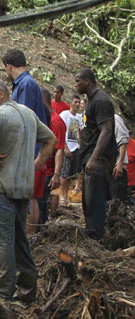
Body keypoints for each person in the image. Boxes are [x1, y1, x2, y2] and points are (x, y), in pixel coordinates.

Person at [0, 78, 56, 303]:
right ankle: (27, 289)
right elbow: (51, 140)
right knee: (20, 239)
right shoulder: (28, 114)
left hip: (1, 186)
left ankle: (2, 296)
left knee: (2, 240)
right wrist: (33, 166)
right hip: (24, 187)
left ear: (1, 95)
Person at [2, 49, 48, 233]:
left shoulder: (26, 85)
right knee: (32, 196)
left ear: (9, 66)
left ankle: (28, 237)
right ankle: (31, 237)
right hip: (32, 148)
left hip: (30, 149)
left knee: (28, 197)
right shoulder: (25, 84)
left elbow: (24, 118)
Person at [74, 68, 117, 240]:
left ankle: (96, 238)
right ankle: (93, 233)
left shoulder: (101, 100)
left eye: (78, 81)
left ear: (88, 81)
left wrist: (94, 158)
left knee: (95, 201)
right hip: (89, 158)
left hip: (97, 160)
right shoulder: (90, 101)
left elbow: (106, 131)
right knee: (88, 201)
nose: (75, 85)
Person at [38, 89, 65, 224]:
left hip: (48, 171)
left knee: (41, 203)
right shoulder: (44, 119)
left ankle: (40, 229)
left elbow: (60, 149)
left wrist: (56, 174)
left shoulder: (56, 122)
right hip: (40, 167)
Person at [59, 95, 83, 205]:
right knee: (64, 173)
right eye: (76, 102)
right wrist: (65, 147)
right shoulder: (65, 115)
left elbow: (78, 130)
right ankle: (61, 195)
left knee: (70, 174)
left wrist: (79, 141)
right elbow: (61, 132)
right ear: (71, 103)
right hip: (66, 147)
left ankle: (66, 195)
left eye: (79, 102)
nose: (78, 104)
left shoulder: (78, 117)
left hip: (75, 147)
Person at [110, 114, 129, 201]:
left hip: (116, 166)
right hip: (105, 166)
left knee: (117, 200)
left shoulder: (115, 119)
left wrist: (120, 163)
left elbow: (123, 140)